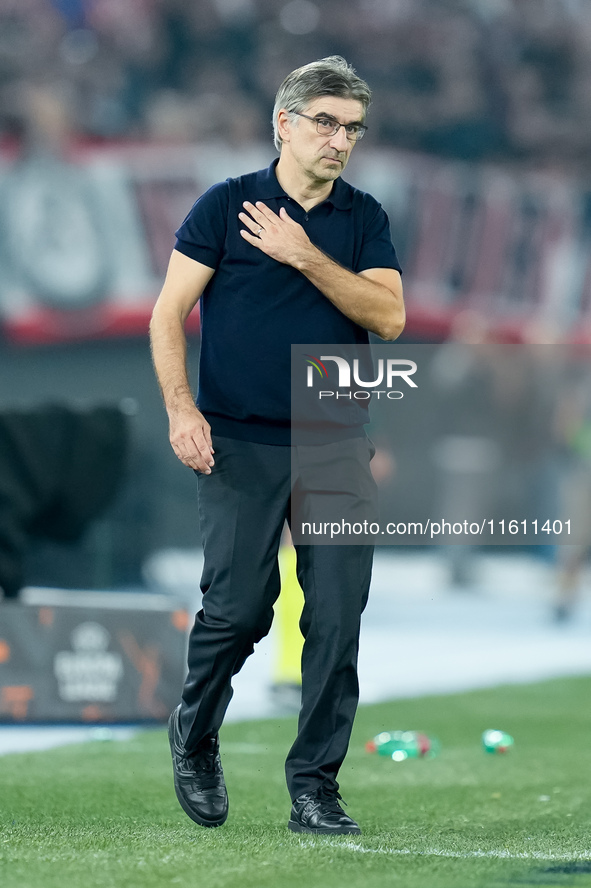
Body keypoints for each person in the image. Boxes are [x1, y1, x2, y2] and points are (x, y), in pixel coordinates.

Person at [149, 55, 405, 835]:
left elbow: (387, 319)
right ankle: (194, 735)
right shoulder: (224, 207)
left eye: (352, 128)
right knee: (237, 610)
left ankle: (314, 788)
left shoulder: (361, 219)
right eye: (325, 122)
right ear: (284, 123)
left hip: (332, 435)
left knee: (335, 616)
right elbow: (167, 318)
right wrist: (180, 411)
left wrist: (302, 254)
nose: (339, 141)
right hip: (236, 437)